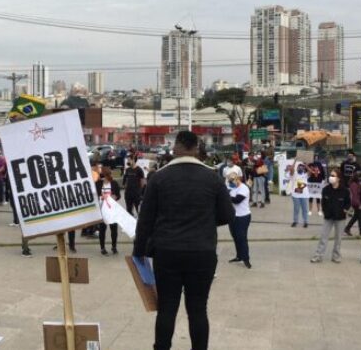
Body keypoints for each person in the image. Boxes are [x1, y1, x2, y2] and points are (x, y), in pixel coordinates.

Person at [134, 131, 235, 350]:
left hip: (166, 252)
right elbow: (227, 215)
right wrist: (205, 222)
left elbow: (145, 220)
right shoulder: (213, 178)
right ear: (197, 149)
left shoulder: (159, 178)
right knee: (198, 309)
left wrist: (139, 251)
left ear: (176, 148)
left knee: (167, 308)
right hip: (202, 253)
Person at [310, 168, 350, 263]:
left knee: (338, 238)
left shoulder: (345, 190)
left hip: (340, 218)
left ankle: (336, 256)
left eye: (333, 175)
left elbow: (348, 203)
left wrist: (344, 210)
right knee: (323, 237)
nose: (331, 177)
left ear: (338, 178)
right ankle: (318, 256)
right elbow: (323, 202)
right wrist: (325, 211)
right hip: (328, 217)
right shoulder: (326, 189)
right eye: (330, 175)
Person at [227, 172, 252, 269]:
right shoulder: (232, 187)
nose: (230, 182)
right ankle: (239, 256)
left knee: (242, 238)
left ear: (238, 179)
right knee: (235, 237)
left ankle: (246, 259)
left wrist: (226, 195)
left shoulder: (244, 188)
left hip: (243, 217)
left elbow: (237, 200)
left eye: (232, 180)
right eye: (229, 181)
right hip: (233, 216)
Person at [97, 167, 122, 255]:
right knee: (102, 229)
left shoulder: (114, 183)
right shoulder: (99, 183)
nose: (108, 176)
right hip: (102, 209)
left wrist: (115, 197)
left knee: (114, 229)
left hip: (112, 209)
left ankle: (114, 246)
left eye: (109, 174)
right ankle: (102, 247)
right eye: (107, 175)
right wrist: (101, 197)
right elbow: (95, 195)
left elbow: (119, 195)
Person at [287, 162, 310, 228]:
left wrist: (306, 165)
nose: (300, 168)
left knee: (305, 209)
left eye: (302, 167)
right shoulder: (294, 174)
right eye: (299, 167)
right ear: (297, 168)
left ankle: (305, 222)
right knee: (296, 209)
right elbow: (291, 169)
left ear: (303, 168)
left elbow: (311, 172)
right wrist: (295, 161)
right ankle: (295, 221)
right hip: (295, 195)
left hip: (304, 195)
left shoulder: (305, 175)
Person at [344, 171, 361, 236]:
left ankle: (347, 228)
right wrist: (359, 204)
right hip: (356, 203)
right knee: (360, 217)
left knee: (356, 217)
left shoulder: (357, 183)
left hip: (357, 202)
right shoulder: (354, 184)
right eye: (360, 176)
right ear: (357, 177)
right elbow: (355, 195)